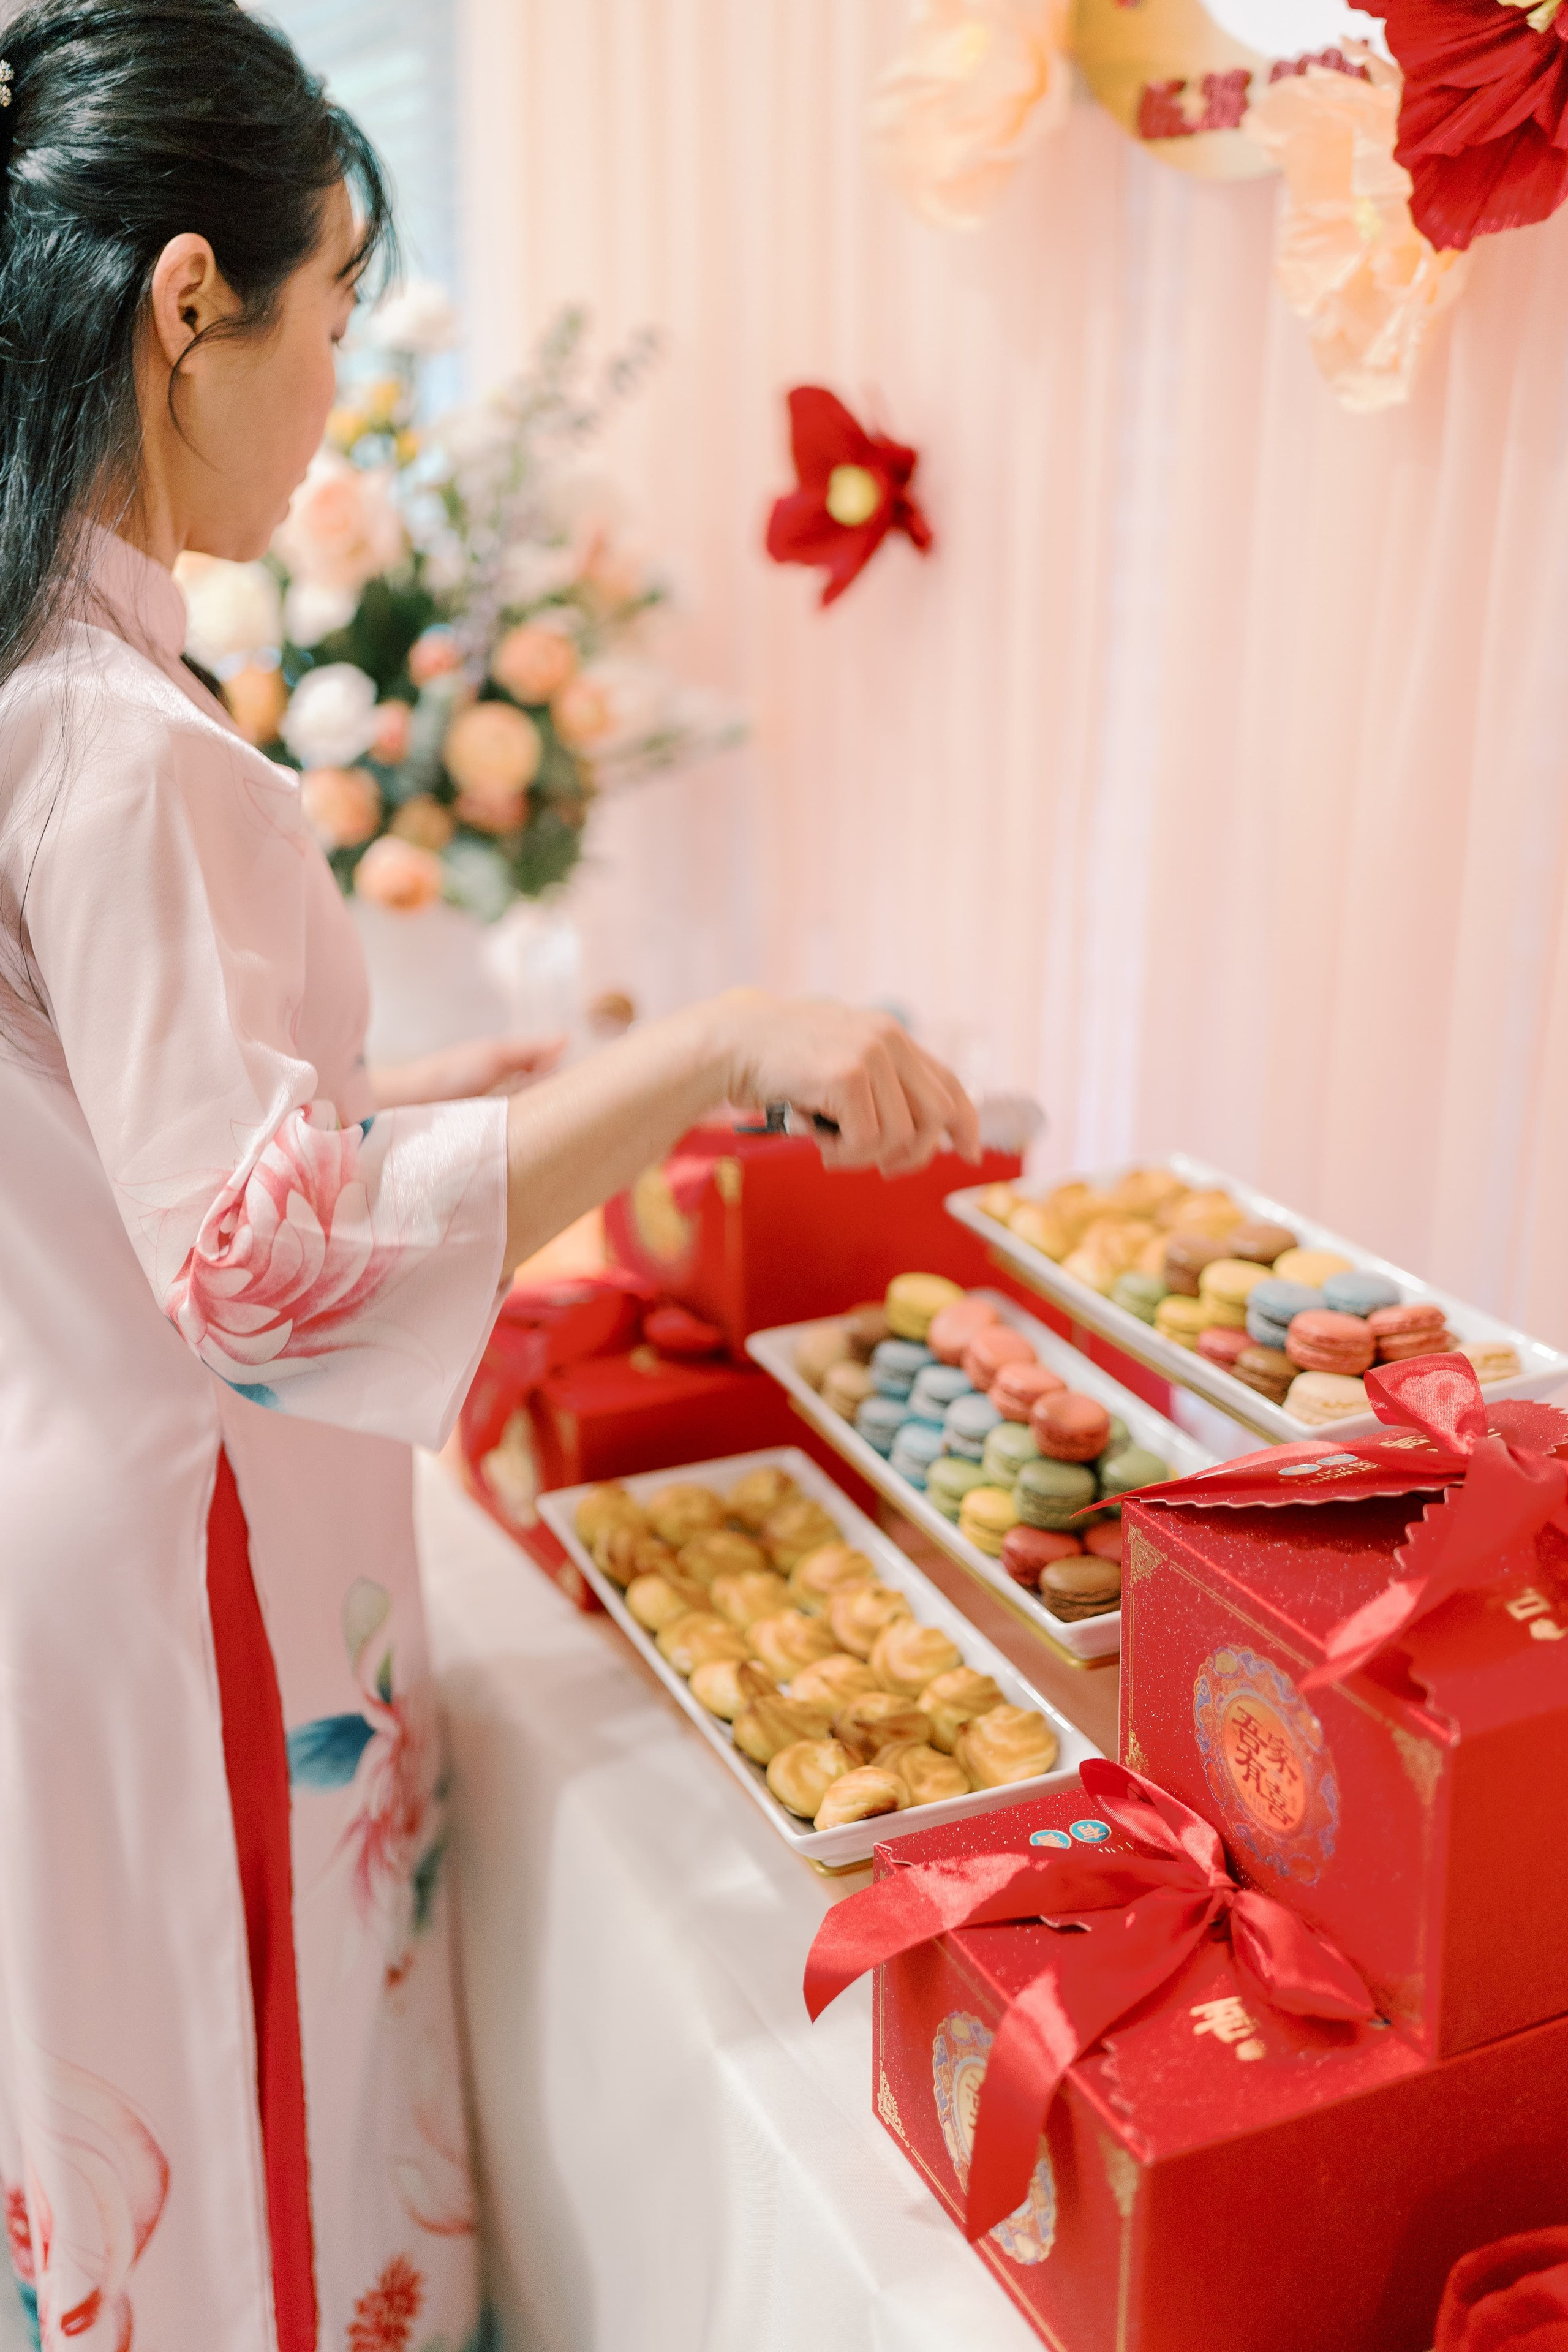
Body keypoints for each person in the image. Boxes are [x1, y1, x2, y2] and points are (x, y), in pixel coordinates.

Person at [0, 2, 979, 2345]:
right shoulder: (124, 746)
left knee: (160, 2126)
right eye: (330, 317)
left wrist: (520, 1079)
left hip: (98, 1516)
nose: (338, 390)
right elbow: (259, 1270)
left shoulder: (51, 675)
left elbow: (151, 1144)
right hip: (187, 1564)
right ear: (187, 309)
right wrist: (728, 1038)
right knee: (254, 2156)